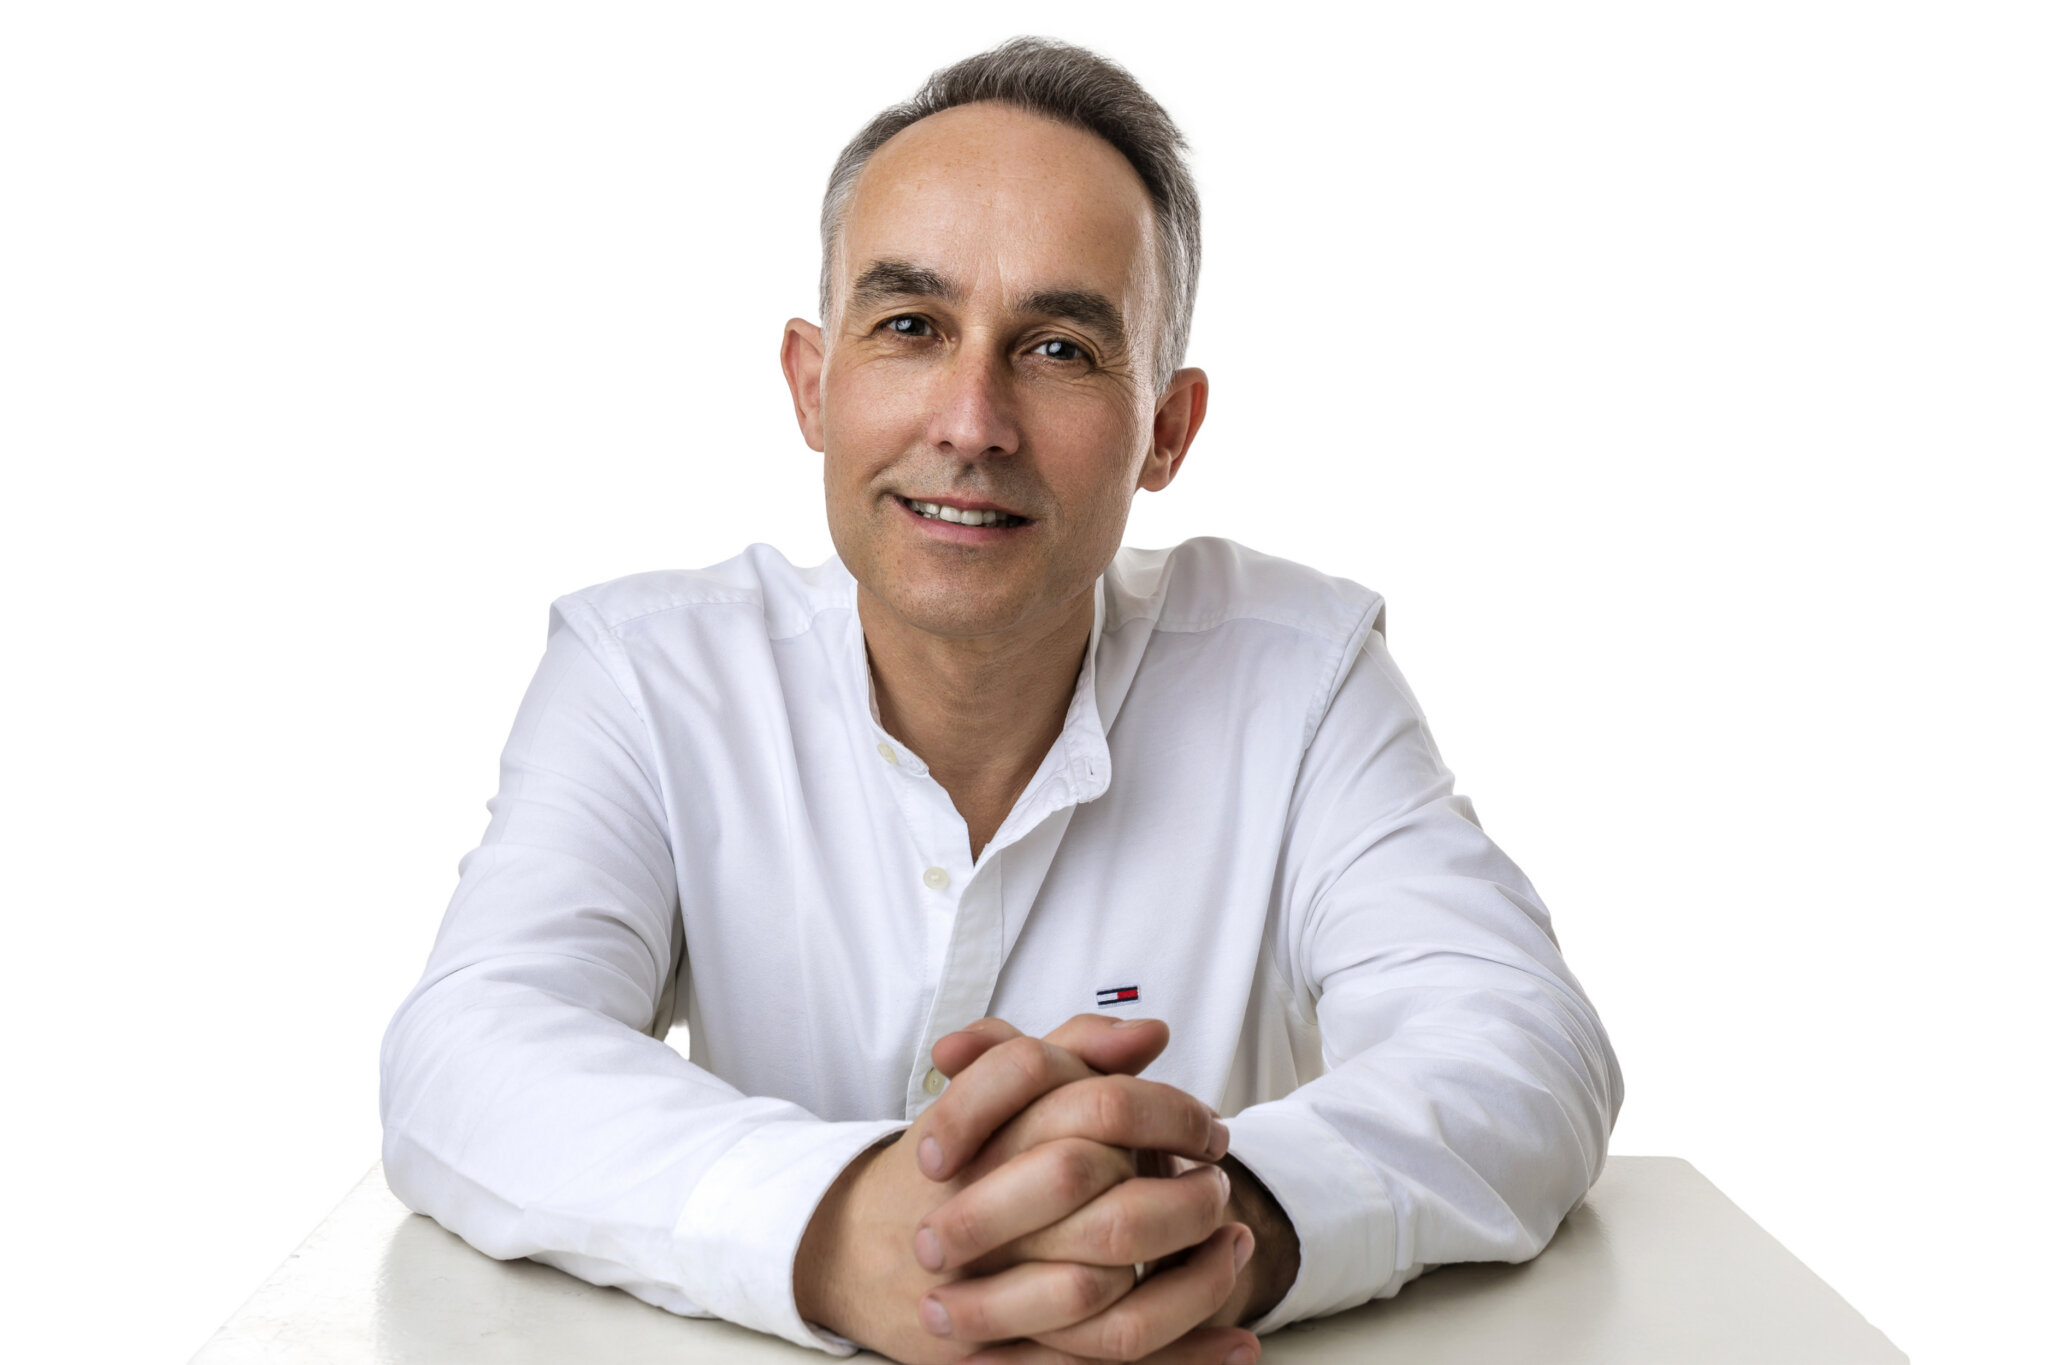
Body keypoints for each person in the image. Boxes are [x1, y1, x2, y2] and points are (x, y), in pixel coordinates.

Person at [379, 35, 1624, 1365]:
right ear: (814, 381)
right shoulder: (644, 671)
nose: (973, 419)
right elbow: (468, 1048)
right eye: (911, 326)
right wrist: (843, 1227)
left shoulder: (1301, 672)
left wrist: (1204, 1227)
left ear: (1168, 430)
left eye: (1062, 347)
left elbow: (1522, 1042)